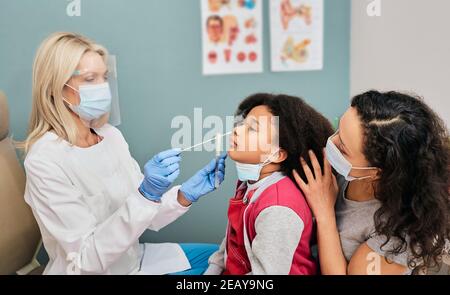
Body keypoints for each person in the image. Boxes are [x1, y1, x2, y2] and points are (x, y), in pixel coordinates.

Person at [21, 32, 227, 275]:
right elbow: (86, 259)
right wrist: (146, 195)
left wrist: (185, 194)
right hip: (92, 271)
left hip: (134, 260)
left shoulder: (110, 136)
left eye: (104, 78)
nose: (102, 87)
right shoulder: (45, 160)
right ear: (56, 87)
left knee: (223, 259)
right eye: (90, 79)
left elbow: (144, 213)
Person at [294, 90, 450, 275]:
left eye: (342, 148)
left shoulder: (401, 236)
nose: (331, 143)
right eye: (338, 130)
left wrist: (324, 213)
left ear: (377, 172)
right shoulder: (350, 171)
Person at [205, 93, 334, 275]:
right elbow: (232, 237)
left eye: (252, 129)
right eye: (243, 124)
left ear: (277, 154)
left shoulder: (278, 208)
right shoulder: (250, 183)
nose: (237, 130)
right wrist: (212, 270)